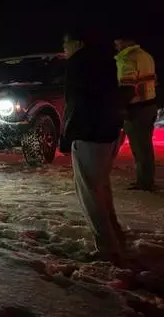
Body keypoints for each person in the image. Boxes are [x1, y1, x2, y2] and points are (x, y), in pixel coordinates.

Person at [61, 29, 127, 265]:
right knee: (101, 188)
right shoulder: (107, 60)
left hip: (89, 135)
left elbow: (74, 103)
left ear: (77, 42)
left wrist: (66, 136)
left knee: (90, 193)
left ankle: (107, 249)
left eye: (65, 43)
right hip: (109, 132)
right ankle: (116, 236)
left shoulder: (78, 63)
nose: (64, 48)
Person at [114, 35, 158, 191]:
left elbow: (127, 88)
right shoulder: (146, 56)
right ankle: (146, 179)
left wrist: (120, 107)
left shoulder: (127, 59)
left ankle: (144, 182)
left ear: (126, 41)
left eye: (118, 41)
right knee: (145, 146)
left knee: (139, 147)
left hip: (136, 108)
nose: (115, 44)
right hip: (149, 105)